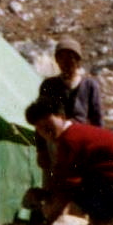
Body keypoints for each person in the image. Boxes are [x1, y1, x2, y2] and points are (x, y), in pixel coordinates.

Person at [22, 98, 113, 225]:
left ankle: (107, 221)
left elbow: (67, 189)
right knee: (78, 184)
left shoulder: (70, 140)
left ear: (61, 117)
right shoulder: (75, 134)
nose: (45, 129)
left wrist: (47, 224)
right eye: (39, 127)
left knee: (77, 189)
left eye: (48, 122)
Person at [34, 37, 103, 174]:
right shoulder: (49, 85)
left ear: (78, 61)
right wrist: (41, 150)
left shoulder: (89, 85)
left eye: (71, 57)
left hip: (81, 144)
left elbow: (97, 119)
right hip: (54, 144)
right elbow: (40, 119)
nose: (66, 62)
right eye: (61, 58)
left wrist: (97, 149)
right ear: (57, 61)